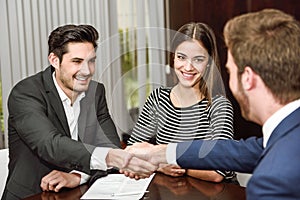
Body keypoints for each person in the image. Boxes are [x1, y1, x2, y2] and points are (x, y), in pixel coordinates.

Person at [125, 8, 300, 199]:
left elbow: (222, 168)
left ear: (247, 78)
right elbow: (240, 151)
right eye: (181, 57)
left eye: (230, 71)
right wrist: (160, 154)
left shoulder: (271, 183)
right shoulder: (283, 136)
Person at [1, 24, 156, 200]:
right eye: (77, 61)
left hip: (77, 193)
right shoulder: (26, 92)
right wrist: (112, 157)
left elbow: (108, 145)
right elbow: (50, 144)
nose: (87, 71)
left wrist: (78, 176)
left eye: (91, 61)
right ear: (54, 60)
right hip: (32, 194)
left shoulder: (95, 92)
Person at [127, 22, 236, 183]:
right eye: (181, 57)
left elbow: (217, 172)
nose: (188, 67)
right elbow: (132, 152)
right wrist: (159, 166)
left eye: (198, 59)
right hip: (174, 191)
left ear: (209, 63)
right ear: (173, 57)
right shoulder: (158, 98)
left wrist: (174, 162)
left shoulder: (219, 107)